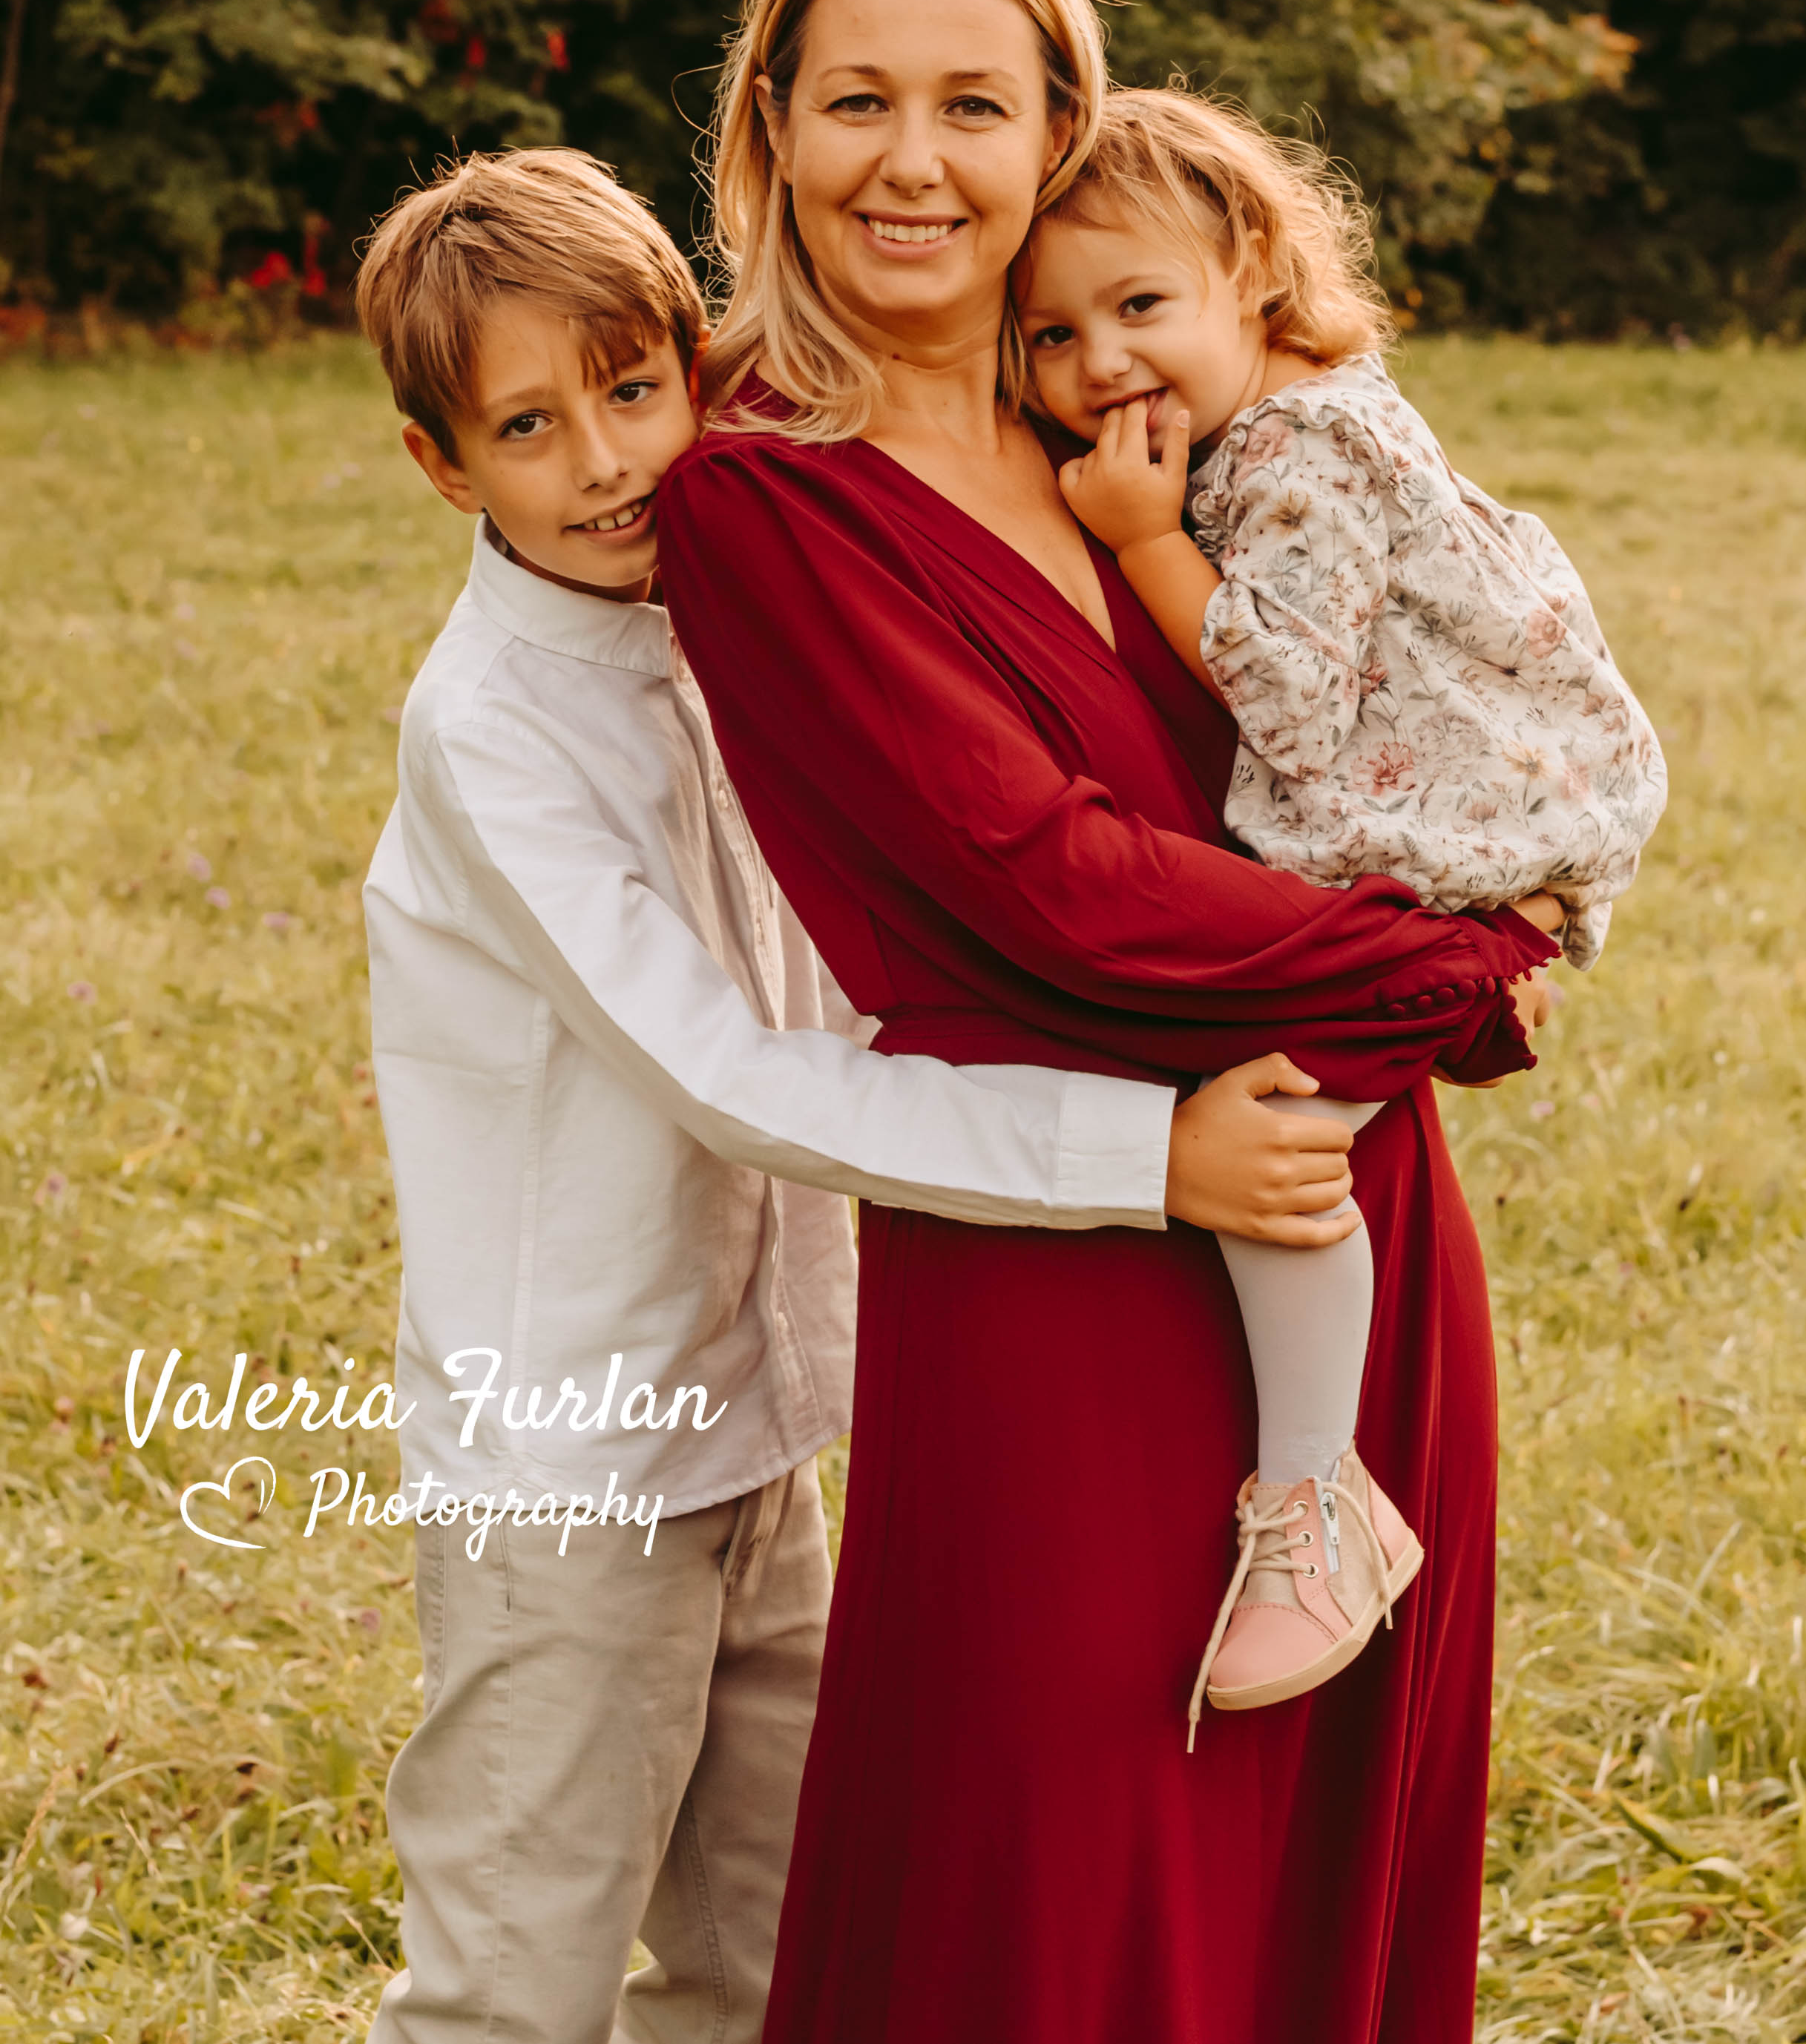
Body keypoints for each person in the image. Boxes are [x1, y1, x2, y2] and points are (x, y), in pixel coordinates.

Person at [655, 0, 1563, 2044]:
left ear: (1057, 131)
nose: (913, 163)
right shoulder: (759, 497)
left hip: (1337, 1222)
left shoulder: (1155, 444)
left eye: (976, 105)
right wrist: (1438, 973)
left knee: (1311, 1865)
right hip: (1057, 1247)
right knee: (1052, 1874)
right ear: (770, 126)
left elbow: (1395, 692)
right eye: (856, 100)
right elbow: (1041, 877)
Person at [348, 146, 1355, 2044]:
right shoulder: (492, 734)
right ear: (443, 464)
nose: (607, 465)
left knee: (769, 1964)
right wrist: (1155, 1154)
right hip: (563, 1479)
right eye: (529, 428)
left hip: (755, 1437)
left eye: (635, 392)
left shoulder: (731, 613)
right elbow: (732, 1078)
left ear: (694, 370)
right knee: (513, 1989)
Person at [1019, 85, 1668, 1723]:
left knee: (1286, 1112)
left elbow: (1288, 705)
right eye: (1051, 336)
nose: (1102, 366)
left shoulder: (1300, 450)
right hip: (1466, 825)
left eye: (1139, 306)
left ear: (1250, 263)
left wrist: (1148, 537)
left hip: (1471, 841)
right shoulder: (1301, 408)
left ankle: (1319, 1504)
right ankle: (1315, 1491)